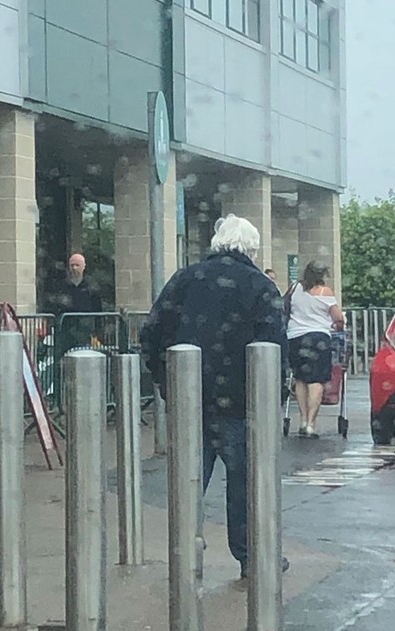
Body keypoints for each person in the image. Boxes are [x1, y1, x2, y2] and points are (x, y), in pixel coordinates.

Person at [140, 214, 289, 580]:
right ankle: (250, 557)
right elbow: (275, 348)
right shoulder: (260, 286)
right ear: (251, 249)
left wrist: (166, 382)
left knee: (188, 482)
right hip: (241, 402)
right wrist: (273, 396)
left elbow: (151, 333)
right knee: (246, 485)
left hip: (190, 399)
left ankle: (185, 554)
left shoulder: (185, 280)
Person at [285, 260, 345, 438]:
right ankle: (311, 423)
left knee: (301, 380)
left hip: (295, 338)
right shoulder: (325, 292)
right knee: (316, 381)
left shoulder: (295, 288)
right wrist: (337, 327)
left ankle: (302, 420)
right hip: (318, 339)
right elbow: (338, 318)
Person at [44, 253, 104, 352]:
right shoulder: (62, 286)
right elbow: (55, 308)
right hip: (66, 330)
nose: (74, 268)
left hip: (85, 330)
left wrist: (98, 332)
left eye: (77, 265)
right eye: (72, 265)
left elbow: (98, 310)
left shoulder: (92, 287)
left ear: (84, 266)